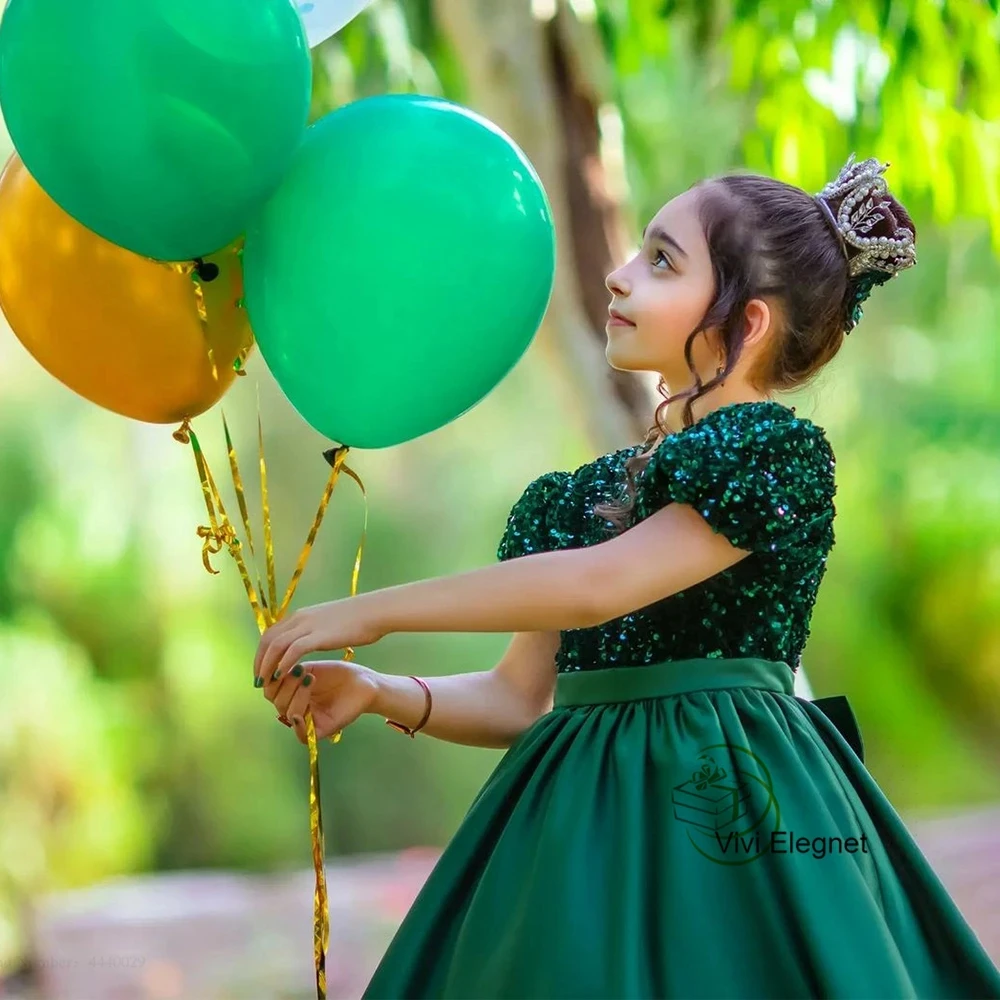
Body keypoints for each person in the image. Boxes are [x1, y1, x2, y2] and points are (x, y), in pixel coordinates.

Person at [253, 155, 1000, 999]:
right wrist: (379, 689)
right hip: (575, 838)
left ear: (747, 323)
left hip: (728, 830)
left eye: (661, 261)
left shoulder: (772, 454)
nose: (618, 275)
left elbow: (598, 586)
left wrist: (372, 613)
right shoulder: (578, 499)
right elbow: (518, 698)